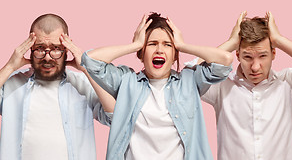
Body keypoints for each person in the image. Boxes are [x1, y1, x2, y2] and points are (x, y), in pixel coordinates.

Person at [0, 13, 115, 160]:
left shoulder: (83, 84)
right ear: (30, 49)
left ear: (67, 49)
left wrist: (87, 69)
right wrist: (9, 67)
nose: (47, 57)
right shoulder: (11, 85)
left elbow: (116, 118)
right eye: (40, 48)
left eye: (55, 49)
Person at [82, 13, 234, 160]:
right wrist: (134, 45)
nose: (159, 50)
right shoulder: (126, 82)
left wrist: (182, 45)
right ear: (141, 53)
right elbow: (90, 60)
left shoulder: (190, 81)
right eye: (152, 44)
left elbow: (225, 60)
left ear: (175, 55)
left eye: (167, 45)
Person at [190, 11, 292, 160]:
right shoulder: (221, 86)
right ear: (237, 55)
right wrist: (231, 43)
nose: (255, 67)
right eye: (247, 56)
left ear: (274, 53)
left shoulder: (288, 83)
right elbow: (189, 78)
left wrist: (279, 40)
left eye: (263, 56)